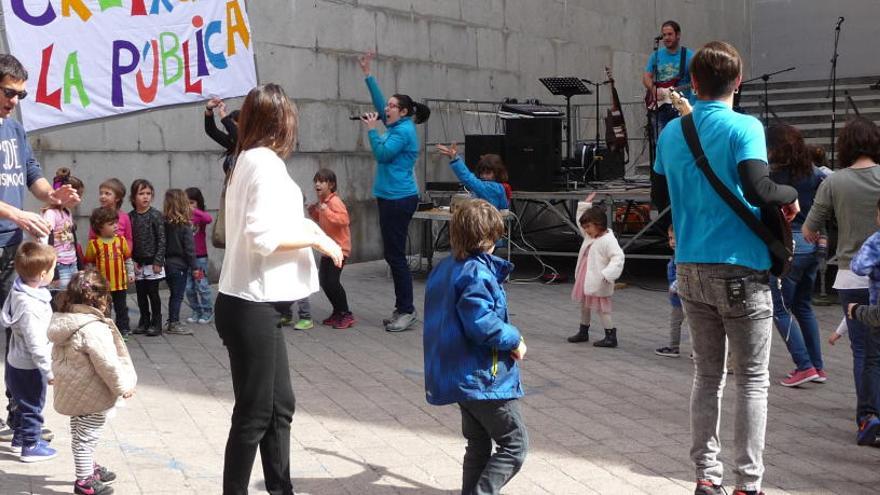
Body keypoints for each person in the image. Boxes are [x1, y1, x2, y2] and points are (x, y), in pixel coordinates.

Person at [653, 41, 799, 495]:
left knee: (707, 377)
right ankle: (747, 484)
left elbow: (659, 200)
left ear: (692, 84)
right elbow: (759, 189)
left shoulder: (670, 133)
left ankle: (705, 476)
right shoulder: (745, 126)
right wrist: (789, 194)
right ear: (738, 82)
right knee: (753, 381)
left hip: (691, 268)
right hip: (741, 270)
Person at [214, 83, 342, 495]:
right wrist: (318, 239)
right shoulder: (262, 163)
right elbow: (264, 237)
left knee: (278, 406)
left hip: (253, 303)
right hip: (251, 304)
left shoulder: (248, 160)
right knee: (254, 413)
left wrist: (310, 230)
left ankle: (280, 488)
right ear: (281, 121)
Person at [422, 198, 528, 495]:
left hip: (460, 374)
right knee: (515, 445)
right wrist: (514, 338)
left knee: (478, 443)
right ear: (488, 238)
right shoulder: (475, 273)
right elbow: (481, 323)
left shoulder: (446, 268)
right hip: (483, 377)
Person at [0, 53, 79, 442]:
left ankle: (21, 416)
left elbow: (33, 175)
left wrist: (55, 195)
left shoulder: (14, 130)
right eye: (8, 92)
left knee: (21, 335)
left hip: (13, 249)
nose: (14, 100)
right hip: (8, 231)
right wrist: (15, 213)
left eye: (20, 94)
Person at [802, 116, 880, 438]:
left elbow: (809, 229)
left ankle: (869, 417)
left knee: (864, 351)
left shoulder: (833, 182)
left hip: (851, 274)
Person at [358, 51, 430, 332]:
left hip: (399, 200)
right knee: (393, 254)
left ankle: (407, 310)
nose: (385, 108)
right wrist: (368, 74)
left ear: (402, 111)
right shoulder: (399, 122)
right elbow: (378, 102)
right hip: (390, 197)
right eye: (386, 105)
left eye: (391, 106)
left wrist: (373, 130)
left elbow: (383, 155)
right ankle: (403, 307)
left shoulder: (403, 132)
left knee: (396, 256)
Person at [50, 268, 137, 495]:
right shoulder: (93, 328)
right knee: (86, 437)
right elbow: (107, 363)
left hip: (72, 389)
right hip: (91, 391)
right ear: (100, 299)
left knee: (80, 433)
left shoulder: (65, 320)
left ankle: (89, 466)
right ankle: (84, 481)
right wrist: (122, 387)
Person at [765, 124, 828, 387]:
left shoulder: (775, 177)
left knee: (778, 308)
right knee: (803, 306)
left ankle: (803, 365)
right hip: (812, 243)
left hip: (789, 245)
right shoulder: (814, 172)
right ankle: (818, 366)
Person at [1, 241, 57, 462]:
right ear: (43, 274)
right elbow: (36, 344)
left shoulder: (19, 288)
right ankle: (31, 446)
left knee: (22, 402)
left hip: (16, 361)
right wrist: (49, 371)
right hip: (30, 365)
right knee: (33, 405)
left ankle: (19, 440)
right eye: (53, 269)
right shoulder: (30, 306)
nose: (55, 272)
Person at [566, 193, 625, 348]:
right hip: (586, 278)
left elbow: (618, 257)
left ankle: (610, 335)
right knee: (585, 305)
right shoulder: (590, 236)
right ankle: (583, 331)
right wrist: (585, 205)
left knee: (602, 309)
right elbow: (581, 222)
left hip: (599, 279)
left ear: (599, 224)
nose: (585, 230)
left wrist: (608, 274)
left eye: (588, 227)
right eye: (585, 227)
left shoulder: (608, 240)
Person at [848, 196, 880, 445]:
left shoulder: (876, 240)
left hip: (875, 311)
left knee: (873, 361)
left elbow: (859, 267)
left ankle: (870, 416)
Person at [307, 168, 354, 329]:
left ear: (331, 184)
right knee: (324, 281)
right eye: (316, 181)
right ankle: (337, 312)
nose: (317, 184)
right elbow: (322, 219)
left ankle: (346, 314)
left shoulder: (334, 202)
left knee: (332, 282)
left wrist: (327, 211)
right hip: (328, 248)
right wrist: (313, 212)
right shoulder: (323, 202)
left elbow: (344, 221)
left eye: (322, 181)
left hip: (340, 249)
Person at [84, 207, 134, 338]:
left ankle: (123, 329)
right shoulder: (94, 244)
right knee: (104, 307)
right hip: (103, 285)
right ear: (100, 227)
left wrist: (130, 274)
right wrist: (90, 279)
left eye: (116, 223)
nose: (116, 226)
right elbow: (89, 263)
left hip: (120, 283)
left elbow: (128, 259)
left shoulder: (121, 241)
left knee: (121, 307)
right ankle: (105, 329)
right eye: (111, 224)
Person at [643, 20, 695, 139]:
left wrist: (693, 105)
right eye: (664, 35)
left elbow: (696, 82)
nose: (666, 38)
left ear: (678, 35)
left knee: (681, 141)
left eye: (670, 34)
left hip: (682, 108)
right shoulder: (656, 55)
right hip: (660, 108)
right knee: (661, 141)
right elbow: (646, 77)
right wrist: (654, 89)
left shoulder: (689, 56)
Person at [129, 179, 166, 337]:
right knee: (140, 294)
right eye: (141, 193)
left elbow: (162, 239)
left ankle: (156, 322)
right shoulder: (130, 217)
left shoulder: (155, 215)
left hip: (153, 262)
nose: (145, 197)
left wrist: (158, 261)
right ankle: (144, 320)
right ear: (133, 197)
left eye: (148, 193)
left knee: (153, 293)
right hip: (138, 262)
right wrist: (132, 260)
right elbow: (129, 240)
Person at [42, 168, 85, 292]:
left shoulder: (67, 212)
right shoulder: (50, 213)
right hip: (60, 266)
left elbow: (73, 240)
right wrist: (53, 271)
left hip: (72, 263)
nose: (79, 200)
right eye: (77, 196)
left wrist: (80, 265)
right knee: (63, 300)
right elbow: (46, 243)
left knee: (74, 297)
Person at [162, 189, 199, 335]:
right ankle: (173, 322)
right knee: (177, 295)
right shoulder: (185, 226)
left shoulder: (164, 223)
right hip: (180, 266)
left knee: (173, 294)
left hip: (166, 264)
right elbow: (190, 249)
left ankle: (173, 320)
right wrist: (195, 267)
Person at [435, 144, 510, 210]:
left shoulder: (492, 188)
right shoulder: (499, 188)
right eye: (482, 173)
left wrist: (455, 159)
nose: (483, 176)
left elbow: (468, 178)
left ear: (497, 173)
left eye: (488, 173)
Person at [655, 225, 687, 357]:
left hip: (684, 298)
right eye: (670, 238)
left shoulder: (683, 256)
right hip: (677, 300)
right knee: (677, 323)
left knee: (690, 325)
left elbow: (683, 274)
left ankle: (690, 350)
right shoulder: (677, 254)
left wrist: (674, 286)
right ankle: (675, 347)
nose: (672, 241)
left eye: (676, 238)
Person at [185, 187, 214, 324]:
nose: (189, 206)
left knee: (201, 285)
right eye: (186, 203)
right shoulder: (183, 216)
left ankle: (207, 311)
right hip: (186, 258)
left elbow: (209, 219)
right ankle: (196, 310)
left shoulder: (200, 216)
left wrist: (195, 211)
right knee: (189, 288)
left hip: (200, 258)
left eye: (192, 202)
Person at [88, 178, 133, 250]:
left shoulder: (124, 217)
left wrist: (126, 253)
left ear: (117, 198)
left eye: (107, 193)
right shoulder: (96, 215)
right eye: (101, 193)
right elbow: (92, 238)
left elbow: (128, 238)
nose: (103, 196)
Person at [204, 96, 240, 175]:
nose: (229, 128)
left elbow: (238, 138)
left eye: (232, 125)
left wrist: (223, 115)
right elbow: (211, 131)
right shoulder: (232, 143)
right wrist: (209, 109)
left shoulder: (250, 143)